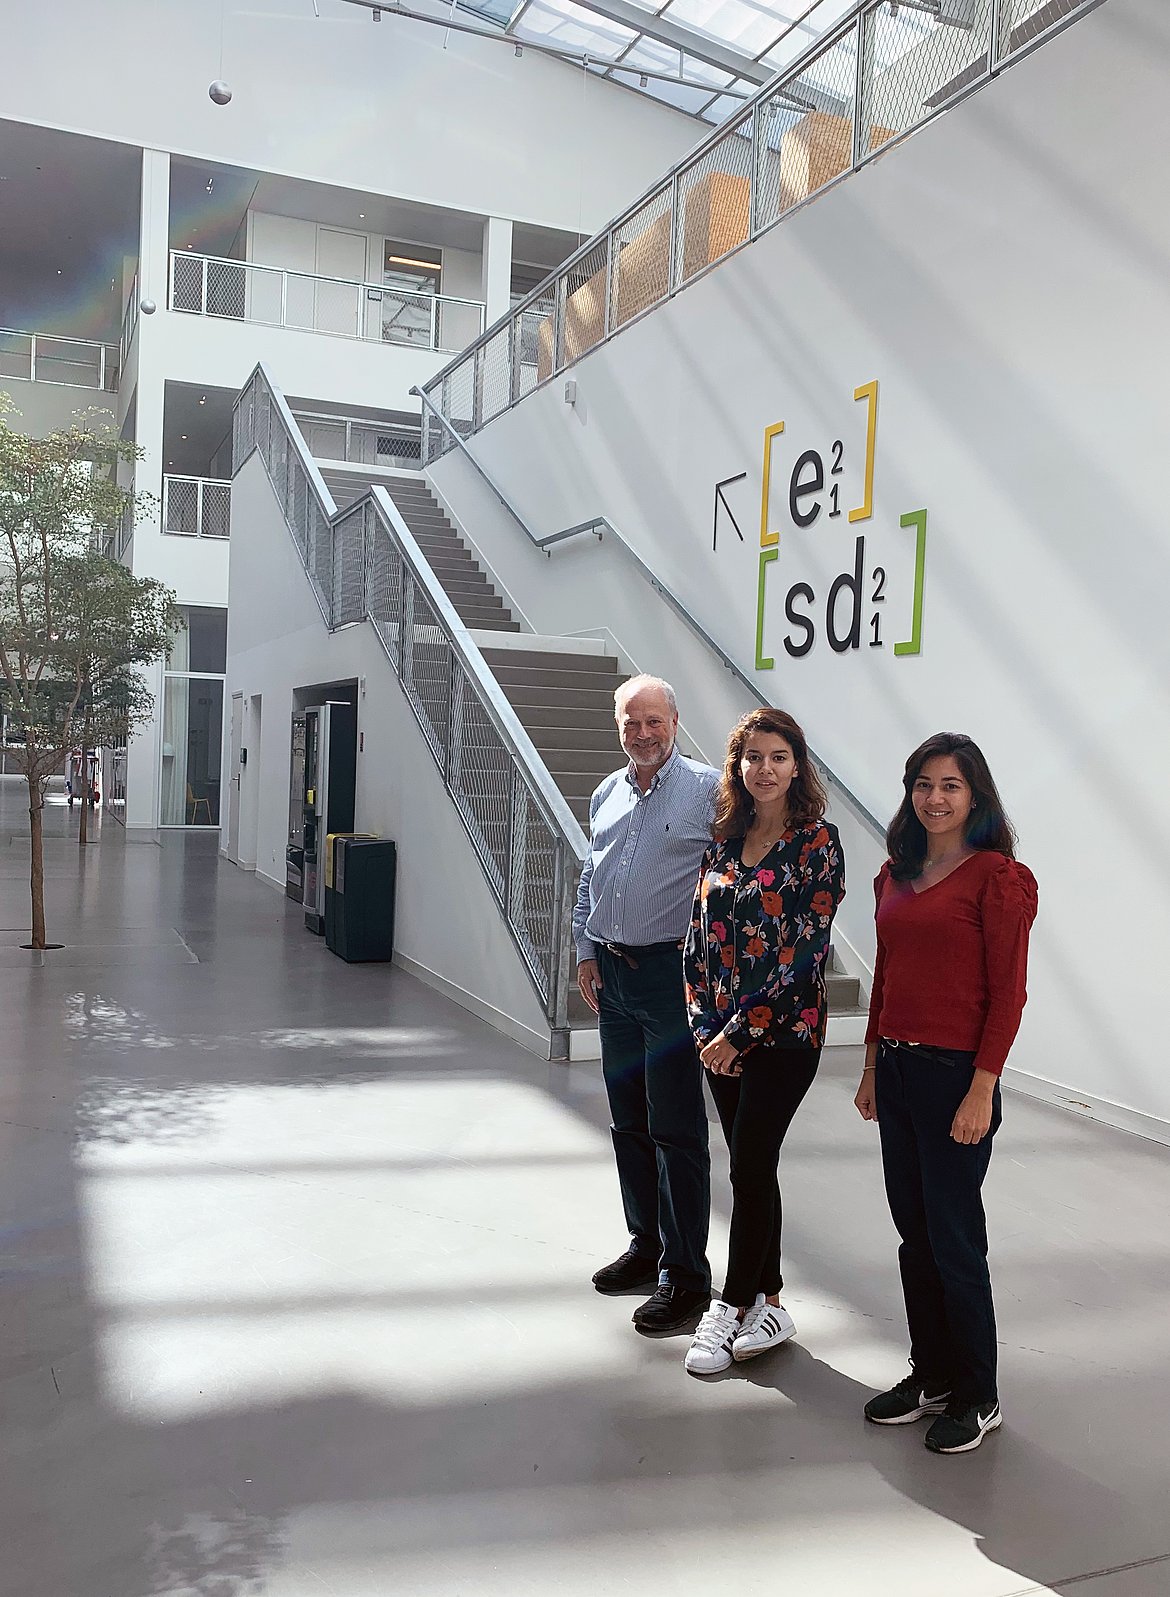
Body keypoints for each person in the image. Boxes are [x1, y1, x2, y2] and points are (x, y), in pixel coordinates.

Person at [854, 732, 1037, 1454]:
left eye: (951, 785)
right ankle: (929, 1374)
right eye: (923, 783)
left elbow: (1009, 993)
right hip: (897, 1074)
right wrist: (870, 1069)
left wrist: (981, 1087)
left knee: (955, 1238)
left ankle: (977, 1391)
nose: (934, 797)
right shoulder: (894, 874)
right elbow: (886, 981)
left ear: (976, 796)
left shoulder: (998, 878)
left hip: (956, 1075)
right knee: (914, 1233)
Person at [682, 708, 844, 1374]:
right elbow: (696, 942)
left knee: (748, 1162)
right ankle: (773, 1300)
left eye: (779, 756)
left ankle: (732, 1303)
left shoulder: (818, 842)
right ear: (737, 765)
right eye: (753, 757)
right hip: (717, 1037)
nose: (766, 768)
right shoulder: (723, 839)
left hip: (784, 1035)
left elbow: (806, 953)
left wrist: (738, 1031)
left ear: (797, 764)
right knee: (754, 1169)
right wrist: (702, 1028)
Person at [574, 675, 720, 1335]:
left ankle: (687, 1276)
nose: (642, 734)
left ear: (675, 720)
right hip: (612, 975)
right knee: (629, 1121)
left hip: (670, 977)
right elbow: (590, 875)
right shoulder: (607, 791)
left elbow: (731, 881)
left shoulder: (709, 791)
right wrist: (583, 949)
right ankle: (647, 1245)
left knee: (677, 1131)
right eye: (631, 723)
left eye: (653, 721)